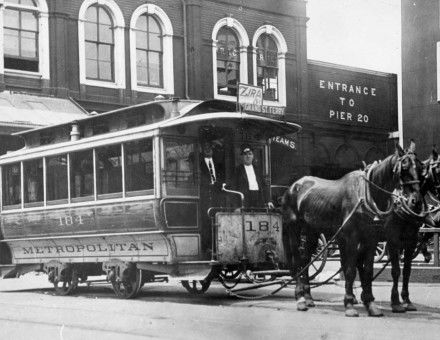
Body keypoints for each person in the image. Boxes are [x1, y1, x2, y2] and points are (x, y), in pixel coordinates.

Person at [199, 141, 224, 253]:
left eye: (210, 148)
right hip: (204, 196)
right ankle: (206, 246)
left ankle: (217, 246)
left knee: (217, 219)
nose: (208, 150)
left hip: (216, 195)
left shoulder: (217, 163)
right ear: (202, 149)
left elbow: (219, 178)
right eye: (206, 147)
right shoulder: (199, 163)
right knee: (206, 220)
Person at [233, 144, 274, 209]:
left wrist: (269, 201)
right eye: (245, 154)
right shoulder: (238, 170)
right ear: (242, 156)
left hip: (258, 199)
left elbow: (264, 186)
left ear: (253, 156)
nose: (248, 156)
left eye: (250, 154)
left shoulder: (258, 169)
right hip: (245, 200)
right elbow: (234, 189)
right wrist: (236, 207)